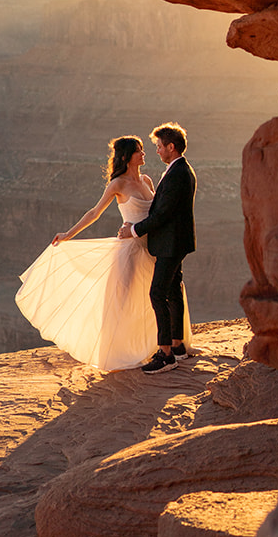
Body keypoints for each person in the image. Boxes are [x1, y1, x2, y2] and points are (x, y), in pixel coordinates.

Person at [15, 135, 190, 372]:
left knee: (157, 298)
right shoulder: (117, 184)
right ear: (128, 157)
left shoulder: (148, 180)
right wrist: (68, 233)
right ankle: (122, 350)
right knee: (124, 300)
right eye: (139, 150)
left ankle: (162, 347)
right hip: (129, 251)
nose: (145, 153)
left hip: (152, 248)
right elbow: (94, 212)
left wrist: (138, 229)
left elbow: (160, 212)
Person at [118, 122, 196, 374]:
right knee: (173, 290)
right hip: (175, 241)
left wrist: (132, 230)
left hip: (170, 243)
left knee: (157, 293)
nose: (157, 151)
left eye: (159, 147)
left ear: (171, 147)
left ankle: (165, 355)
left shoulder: (178, 174)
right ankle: (178, 347)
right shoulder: (179, 170)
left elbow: (162, 214)